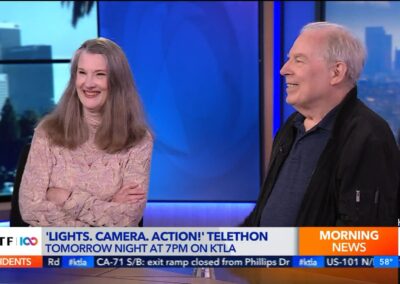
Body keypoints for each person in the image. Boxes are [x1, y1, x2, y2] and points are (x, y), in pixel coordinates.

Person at [242, 22, 400, 226]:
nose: (283, 70)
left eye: (299, 60)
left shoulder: (369, 136)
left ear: (336, 72)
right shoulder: (291, 126)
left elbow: (361, 238)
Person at [19, 38, 153, 226]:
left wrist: (65, 197)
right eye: (82, 73)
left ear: (117, 82)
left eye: (99, 74)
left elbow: (127, 218)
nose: (88, 83)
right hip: (52, 251)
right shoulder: (47, 133)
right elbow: (30, 209)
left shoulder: (138, 140)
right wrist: (108, 207)